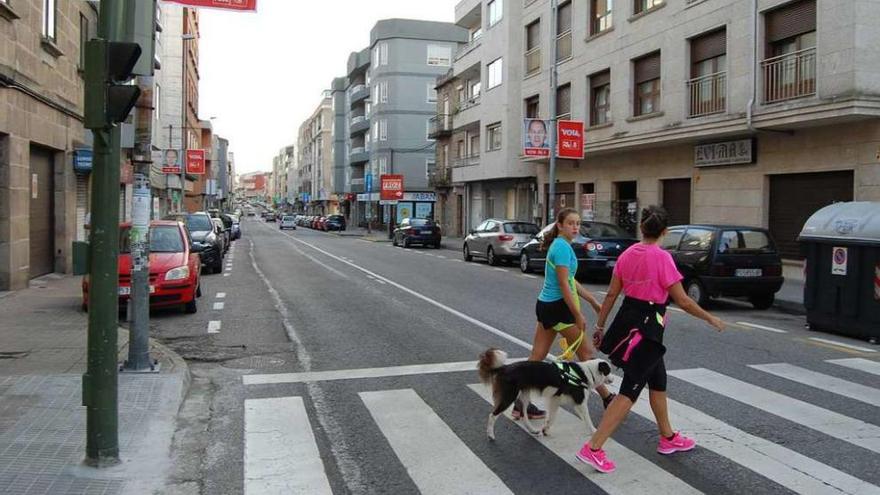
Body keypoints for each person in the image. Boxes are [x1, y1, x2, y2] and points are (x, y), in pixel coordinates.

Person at [576, 205, 725, 474]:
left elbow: (611, 295)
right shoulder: (663, 258)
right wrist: (709, 318)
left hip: (628, 319)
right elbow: (682, 300)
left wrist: (600, 325)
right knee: (629, 392)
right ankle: (593, 447)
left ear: (641, 228)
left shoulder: (627, 254)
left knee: (658, 380)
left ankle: (668, 437)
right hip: (647, 327)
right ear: (664, 232)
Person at [513, 208, 614, 420]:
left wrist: (593, 301)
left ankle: (519, 403)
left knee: (537, 356)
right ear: (560, 225)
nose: (575, 227)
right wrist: (577, 314)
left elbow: (571, 280)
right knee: (586, 352)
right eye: (571, 223)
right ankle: (607, 397)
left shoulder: (563, 246)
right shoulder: (561, 247)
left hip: (547, 305)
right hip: (557, 308)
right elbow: (563, 284)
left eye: (578, 223)